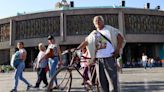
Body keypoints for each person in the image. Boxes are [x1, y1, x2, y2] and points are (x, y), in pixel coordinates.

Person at [76, 16, 125, 92]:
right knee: (102, 82)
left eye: (99, 20)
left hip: (109, 58)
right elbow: (86, 42)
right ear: (94, 24)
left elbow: (120, 37)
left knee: (112, 81)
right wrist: (77, 48)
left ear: (103, 21)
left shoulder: (109, 29)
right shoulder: (93, 34)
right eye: (95, 21)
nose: (97, 22)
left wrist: (118, 49)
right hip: (98, 60)